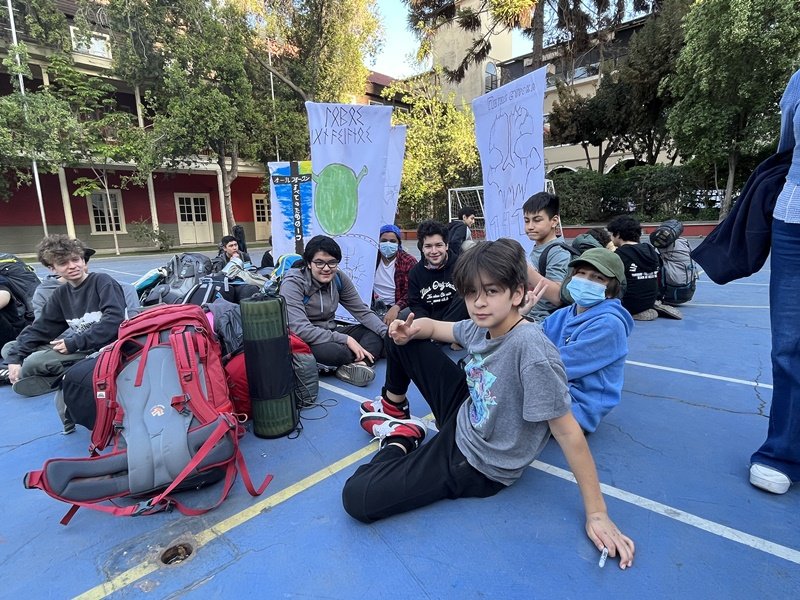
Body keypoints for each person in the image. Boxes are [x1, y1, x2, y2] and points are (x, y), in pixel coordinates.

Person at [343, 239, 635, 569]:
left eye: (492, 291)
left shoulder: (533, 352)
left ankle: (400, 438)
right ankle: (394, 408)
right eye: (471, 293)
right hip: (470, 411)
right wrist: (410, 329)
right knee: (400, 339)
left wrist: (597, 513)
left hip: (479, 461)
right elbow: (438, 327)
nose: (479, 303)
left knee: (358, 497)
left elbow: (568, 433)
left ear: (517, 294)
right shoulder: (486, 325)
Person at [749, 68, 800, 495]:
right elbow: (787, 148)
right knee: (788, 345)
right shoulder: (799, 81)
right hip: (794, 221)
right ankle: (782, 451)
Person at [3, 235, 126, 397]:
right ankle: (56, 370)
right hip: (81, 346)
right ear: (52, 269)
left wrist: (74, 342)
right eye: (63, 263)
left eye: (75, 260)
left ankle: (62, 376)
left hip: (107, 348)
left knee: (33, 362)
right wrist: (15, 357)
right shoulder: (61, 294)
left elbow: (114, 322)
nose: (72, 266)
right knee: (10, 349)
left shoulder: (102, 281)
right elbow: (41, 328)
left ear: (83, 260)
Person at [535, 248, 634, 433]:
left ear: (610, 290)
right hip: (554, 390)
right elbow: (533, 338)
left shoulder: (609, 325)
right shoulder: (565, 313)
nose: (585, 281)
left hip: (578, 408)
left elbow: (558, 366)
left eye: (598, 278)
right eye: (581, 273)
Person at [280, 235, 387, 387]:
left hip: (330, 332)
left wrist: (389, 334)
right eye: (319, 263)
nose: (326, 268)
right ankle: (360, 357)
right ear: (309, 263)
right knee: (337, 352)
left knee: (374, 330)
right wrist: (346, 339)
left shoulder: (338, 278)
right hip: (305, 339)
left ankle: (360, 365)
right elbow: (299, 329)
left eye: (332, 263)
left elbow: (362, 311)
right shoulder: (293, 283)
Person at [405, 220, 468, 322]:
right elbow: (416, 304)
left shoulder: (462, 267)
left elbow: (465, 300)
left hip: (457, 325)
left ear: (446, 246)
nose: (434, 251)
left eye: (438, 245)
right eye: (428, 246)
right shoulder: (415, 273)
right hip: (428, 324)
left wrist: (443, 328)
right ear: (422, 248)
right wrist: (427, 326)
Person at [523, 192, 573, 322]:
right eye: (527, 221)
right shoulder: (539, 248)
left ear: (554, 221)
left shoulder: (558, 252)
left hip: (541, 321)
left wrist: (524, 268)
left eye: (537, 220)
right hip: (526, 313)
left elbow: (557, 296)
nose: (530, 227)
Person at [606, 215, 660, 321]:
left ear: (618, 234)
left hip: (629, 305)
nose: (611, 237)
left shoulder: (619, 255)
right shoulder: (651, 251)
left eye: (612, 234)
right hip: (649, 302)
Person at [373, 224, 417, 325]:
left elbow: (412, 292)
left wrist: (396, 307)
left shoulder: (408, 261)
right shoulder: (372, 259)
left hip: (400, 307)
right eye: (384, 241)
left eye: (392, 241)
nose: (388, 244)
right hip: (374, 306)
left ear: (398, 243)